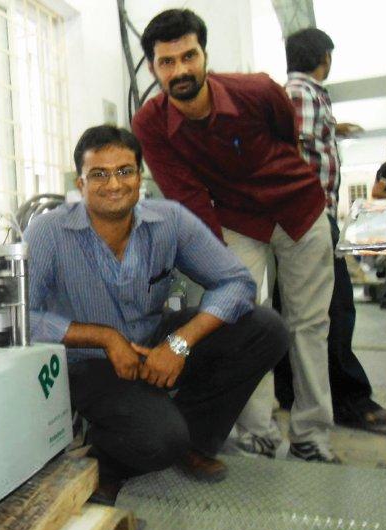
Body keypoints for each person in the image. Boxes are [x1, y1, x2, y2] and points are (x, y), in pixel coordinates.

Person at [26, 125, 288, 496]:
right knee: (158, 439)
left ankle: (193, 442)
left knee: (265, 329)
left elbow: (237, 282)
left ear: (139, 177)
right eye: (99, 174)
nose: (113, 184)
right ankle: (105, 459)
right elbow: (22, 317)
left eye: (124, 171)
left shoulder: (169, 221)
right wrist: (104, 338)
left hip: (152, 344)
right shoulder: (48, 232)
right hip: (88, 361)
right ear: (80, 184)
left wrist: (179, 344)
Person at [132, 9, 338, 462]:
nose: (180, 70)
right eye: (167, 62)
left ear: (205, 55)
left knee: (308, 326)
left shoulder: (258, 90)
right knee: (241, 320)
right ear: (152, 67)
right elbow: (186, 196)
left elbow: (287, 134)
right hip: (236, 221)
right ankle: (257, 434)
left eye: (189, 56)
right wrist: (219, 268)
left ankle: (311, 436)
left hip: (299, 211)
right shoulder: (150, 124)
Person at [282, 28, 386, 432]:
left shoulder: (304, 94)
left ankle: (292, 392)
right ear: (325, 58)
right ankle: (350, 399)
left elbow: (305, 140)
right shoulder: (301, 93)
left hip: (308, 218)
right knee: (335, 310)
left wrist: (336, 129)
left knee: (301, 310)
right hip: (312, 218)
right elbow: (292, 149)